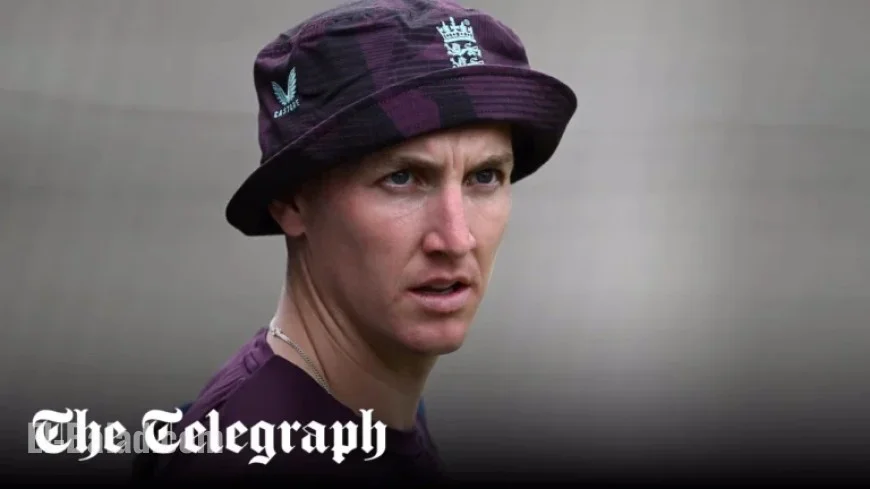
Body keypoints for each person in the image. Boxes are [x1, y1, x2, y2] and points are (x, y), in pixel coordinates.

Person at [143, 0, 576, 483]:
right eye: (402, 177)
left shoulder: (367, 411)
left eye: (486, 176)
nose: (456, 239)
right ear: (292, 200)